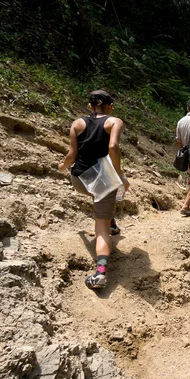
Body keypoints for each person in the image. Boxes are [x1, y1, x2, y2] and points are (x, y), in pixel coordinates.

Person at [58, 90, 129, 289]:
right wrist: (120, 176)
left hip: (79, 179)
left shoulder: (77, 123)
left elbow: (71, 154)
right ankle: (100, 273)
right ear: (110, 107)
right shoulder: (114, 122)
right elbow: (113, 146)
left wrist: (62, 167)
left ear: (90, 107)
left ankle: (111, 219)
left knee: (100, 198)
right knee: (102, 227)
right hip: (103, 181)